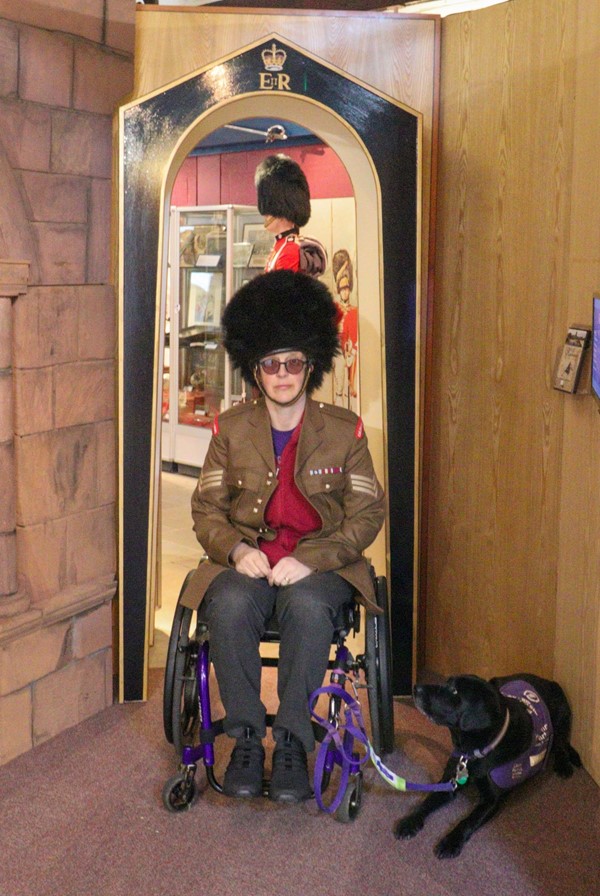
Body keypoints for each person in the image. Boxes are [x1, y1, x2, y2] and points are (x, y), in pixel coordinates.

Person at [187, 269, 385, 803]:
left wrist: (314, 558)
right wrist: (236, 548)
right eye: (271, 364)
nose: (281, 374)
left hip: (320, 570)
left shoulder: (345, 432)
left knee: (306, 607)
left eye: (292, 362)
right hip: (250, 566)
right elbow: (206, 508)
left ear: (311, 365)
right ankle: (247, 737)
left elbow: (367, 513)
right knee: (225, 603)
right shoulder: (230, 430)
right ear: (255, 369)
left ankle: (295, 739)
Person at [255, 154, 327, 276]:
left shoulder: (289, 250)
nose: (265, 215)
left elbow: (283, 294)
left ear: (282, 210)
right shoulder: (282, 245)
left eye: (270, 210)